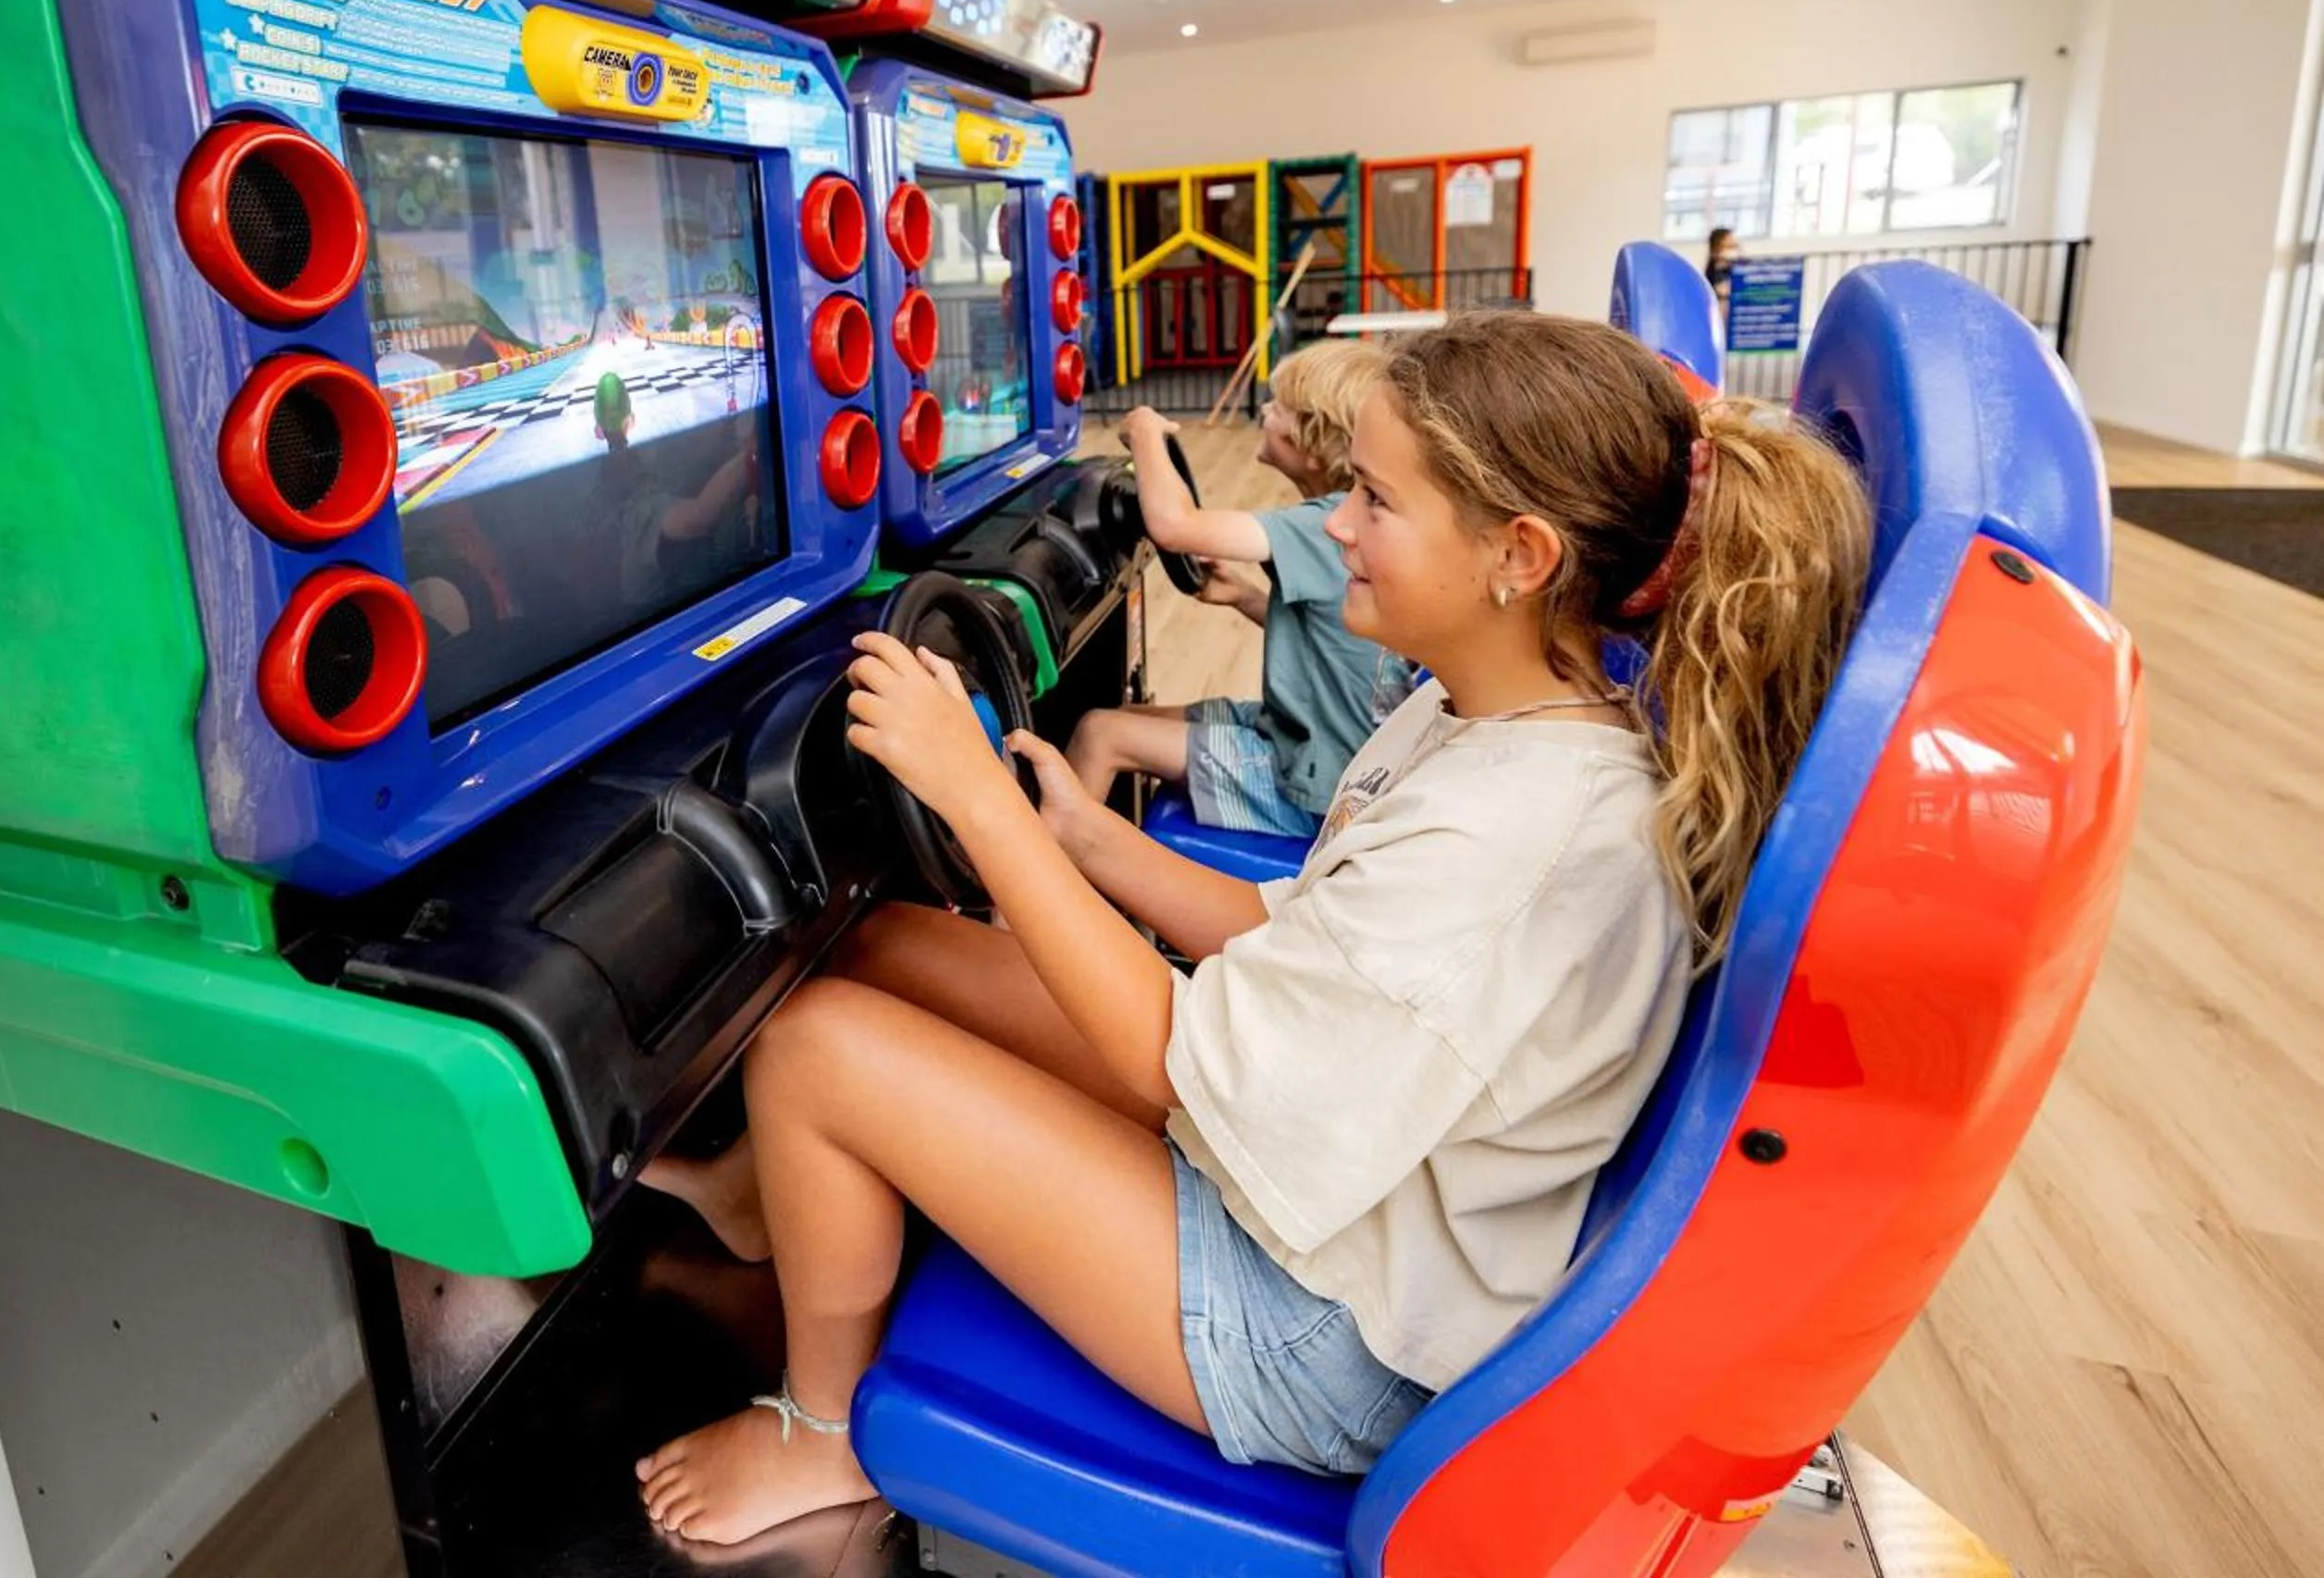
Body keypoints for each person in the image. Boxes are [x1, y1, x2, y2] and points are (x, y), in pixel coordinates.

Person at [629, 313, 1873, 1547]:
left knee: (816, 1048)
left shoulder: (1525, 836)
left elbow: (1170, 1056)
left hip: (1325, 1330)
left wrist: (971, 799)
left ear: (1520, 555)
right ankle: (764, 1193)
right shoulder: (1480, 712)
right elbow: (1298, 932)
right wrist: (1089, 838)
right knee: (883, 946)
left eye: (1376, 502)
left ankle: (826, 1428)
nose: (1335, 526)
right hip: (1345, 1186)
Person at [1065, 339, 1411, 836]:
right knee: (1124, 716)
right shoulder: (1350, 520)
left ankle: (1033, 903)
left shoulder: (1321, 526)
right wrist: (1245, 596)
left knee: (1098, 733)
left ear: (1312, 440)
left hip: (1315, 786)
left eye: (1279, 408)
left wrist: (1143, 432)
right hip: (1319, 743)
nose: (1265, 411)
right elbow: (1335, 639)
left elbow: (1174, 525)